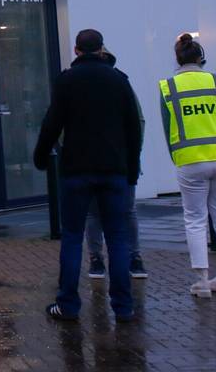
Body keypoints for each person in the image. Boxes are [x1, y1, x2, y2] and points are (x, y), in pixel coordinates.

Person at [34, 29, 142, 322]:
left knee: (72, 237)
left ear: (76, 50)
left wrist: (41, 157)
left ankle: (68, 304)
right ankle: (123, 306)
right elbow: (133, 129)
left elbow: (52, 123)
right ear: (101, 48)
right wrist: (132, 169)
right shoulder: (119, 80)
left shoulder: (67, 81)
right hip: (114, 169)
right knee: (117, 237)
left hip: (76, 170)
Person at [161, 33, 216, 297]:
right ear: (201, 58)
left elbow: (168, 128)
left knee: (195, 219)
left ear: (178, 59)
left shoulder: (169, 87)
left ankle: (202, 280)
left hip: (190, 160)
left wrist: (176, 157)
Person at [86, 48, 148, 280]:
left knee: (106, 212)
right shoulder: (121, 83)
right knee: (113, 211)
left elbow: (138, 120)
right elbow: (139, 121)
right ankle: (118, 258)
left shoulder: (120, 83)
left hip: (110, 161)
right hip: (110, 160)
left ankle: (118, 258)